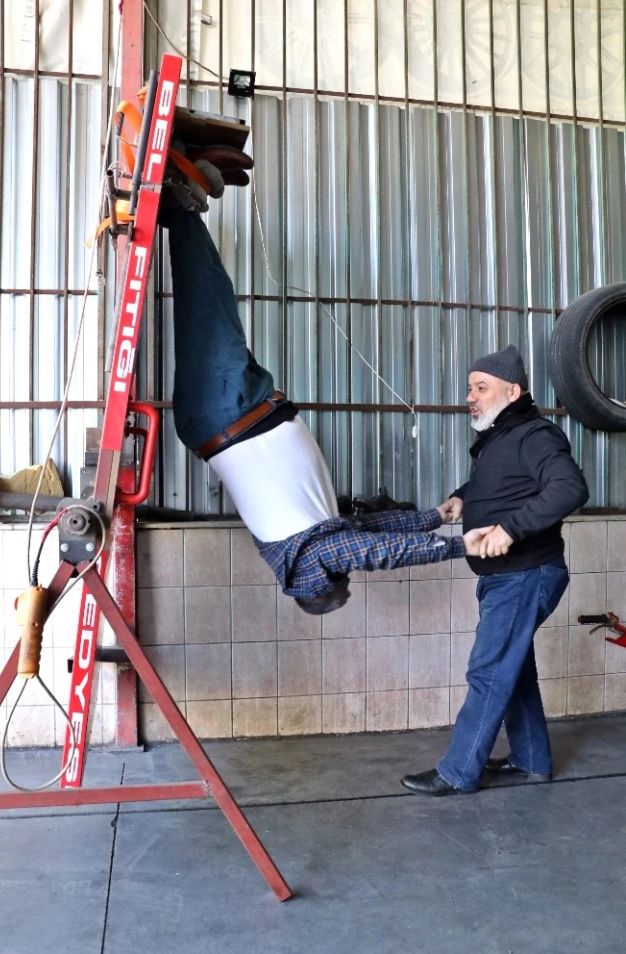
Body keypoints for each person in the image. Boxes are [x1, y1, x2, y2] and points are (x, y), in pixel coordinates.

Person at [160, 190, 493, 615]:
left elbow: (377, 553)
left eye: (343, 580)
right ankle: (184, 212)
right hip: (235, 413)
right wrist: (436, 518)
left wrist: (458, 549)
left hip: (227, 414)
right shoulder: (314, 543)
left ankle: (177, 208)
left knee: (206, 303)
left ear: (319, 585)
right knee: (213, 301)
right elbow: (370, 531)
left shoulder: (307, 563)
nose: (348, 573)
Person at [400, 345, 589, 795]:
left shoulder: (536, 435)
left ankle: (458, 771)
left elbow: (570, 487)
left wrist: (512, 527)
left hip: (525, 571)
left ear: (512, 390)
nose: (472, 396)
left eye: (481, 388)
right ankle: (530, 760)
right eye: (470, 388)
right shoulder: (500, 437)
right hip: (507, 575)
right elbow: (501, 483)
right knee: (512, 665)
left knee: (489, 670)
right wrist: (463, 496)